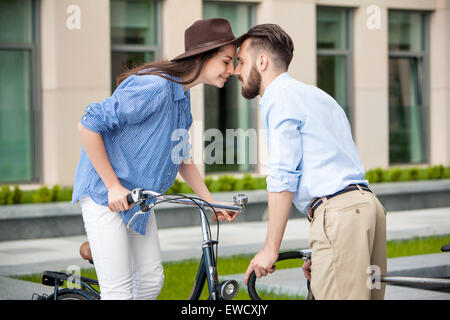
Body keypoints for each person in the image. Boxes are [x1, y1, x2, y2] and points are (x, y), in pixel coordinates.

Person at [71, 18, 242, 300]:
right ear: (203, 56)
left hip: (139, 200)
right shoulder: (154, 86)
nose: (232, 70)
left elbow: (182, 155)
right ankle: (102, 242)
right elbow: (88, 124)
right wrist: (113, 185)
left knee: (151, 281)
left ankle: (102, 246)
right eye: (226, 61)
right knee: (119, 293)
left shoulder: (182, 96)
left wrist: (210, 201)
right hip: (107, 195)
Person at [235, 24, 387, 300]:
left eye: (241, 62)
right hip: (368, 210)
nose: (236, 71)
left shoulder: (278, 98)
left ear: (262, 61)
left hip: (342, 217)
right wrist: (324, 250)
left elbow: (283, 176)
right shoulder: (319, 96)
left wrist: (271, 248)